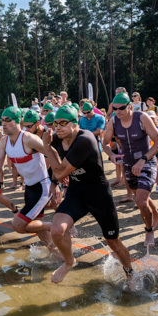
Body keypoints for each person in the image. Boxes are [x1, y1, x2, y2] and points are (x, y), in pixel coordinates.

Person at [42, 105, 134, 284]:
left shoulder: (85, 139)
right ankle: (69, 261)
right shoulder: (56, 138)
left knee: (113, 242)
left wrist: (47, 148)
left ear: (75, 124)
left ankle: (130, 272)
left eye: (63, 123)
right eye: (55, 123)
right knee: (56, 230)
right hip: (77, 193)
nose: (58, 127)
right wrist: (54, 183)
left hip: (99, 194)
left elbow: (60, 171)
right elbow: (50, 156)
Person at [0, 107, 56, 249]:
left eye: (8, 120)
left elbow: (53, 154)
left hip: (42, 187)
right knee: (38, 228)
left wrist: (56, 182)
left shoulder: (28, 138)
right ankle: (56, 253)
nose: (3, 124)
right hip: (29, 188)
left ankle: (57, 226)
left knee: (19, 225)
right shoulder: (4, 142)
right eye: (2, 120)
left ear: (17, 122)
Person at [103, 92, 158, 247]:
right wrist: (111, 155)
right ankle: (157, 217)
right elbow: (104, 143)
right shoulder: (114, 121)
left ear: (130, 106)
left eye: (121, 108)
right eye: (115, 108)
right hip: (129, 164)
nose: (118, 111)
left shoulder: (141, 117)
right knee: (142, 196)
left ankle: (149, 231)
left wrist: (143, 160)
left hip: (146, 162)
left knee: (141, 201)